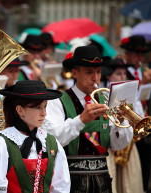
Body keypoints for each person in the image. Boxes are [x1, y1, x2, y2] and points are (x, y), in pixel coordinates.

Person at [42, 45, 133, 193]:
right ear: (75, 72)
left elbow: (118, 145)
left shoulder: (106, 99)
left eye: (98, 72)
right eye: (89, 72)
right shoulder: (57, 101)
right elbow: (53, 140)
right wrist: (81, 120)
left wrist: (121, 123)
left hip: (102, 177)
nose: (95, 78)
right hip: (69, 179)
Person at [0, 80, 70, 192]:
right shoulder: (1, 145)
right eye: (38, 107)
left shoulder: (51, 143)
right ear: (20, 110)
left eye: (45, 106)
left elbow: (61, 186)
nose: (44, 113)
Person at [101, 57, 144, 193]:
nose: (123, 76)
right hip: (111, 147)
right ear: (108, 76)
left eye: (124, 73)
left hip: (129, 146)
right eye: (118, 74)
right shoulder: (103, 94)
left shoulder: (131, 94)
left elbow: (140, 117)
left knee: (130, 183)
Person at [121, 35, 151, 192]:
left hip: (145, 121)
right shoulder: (122, 71)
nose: (140, 58)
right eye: (136, 54)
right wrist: (143, 85)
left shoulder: (143, 71)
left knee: (146, 160)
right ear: (128, 54)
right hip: (130, 124)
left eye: (142, 55)